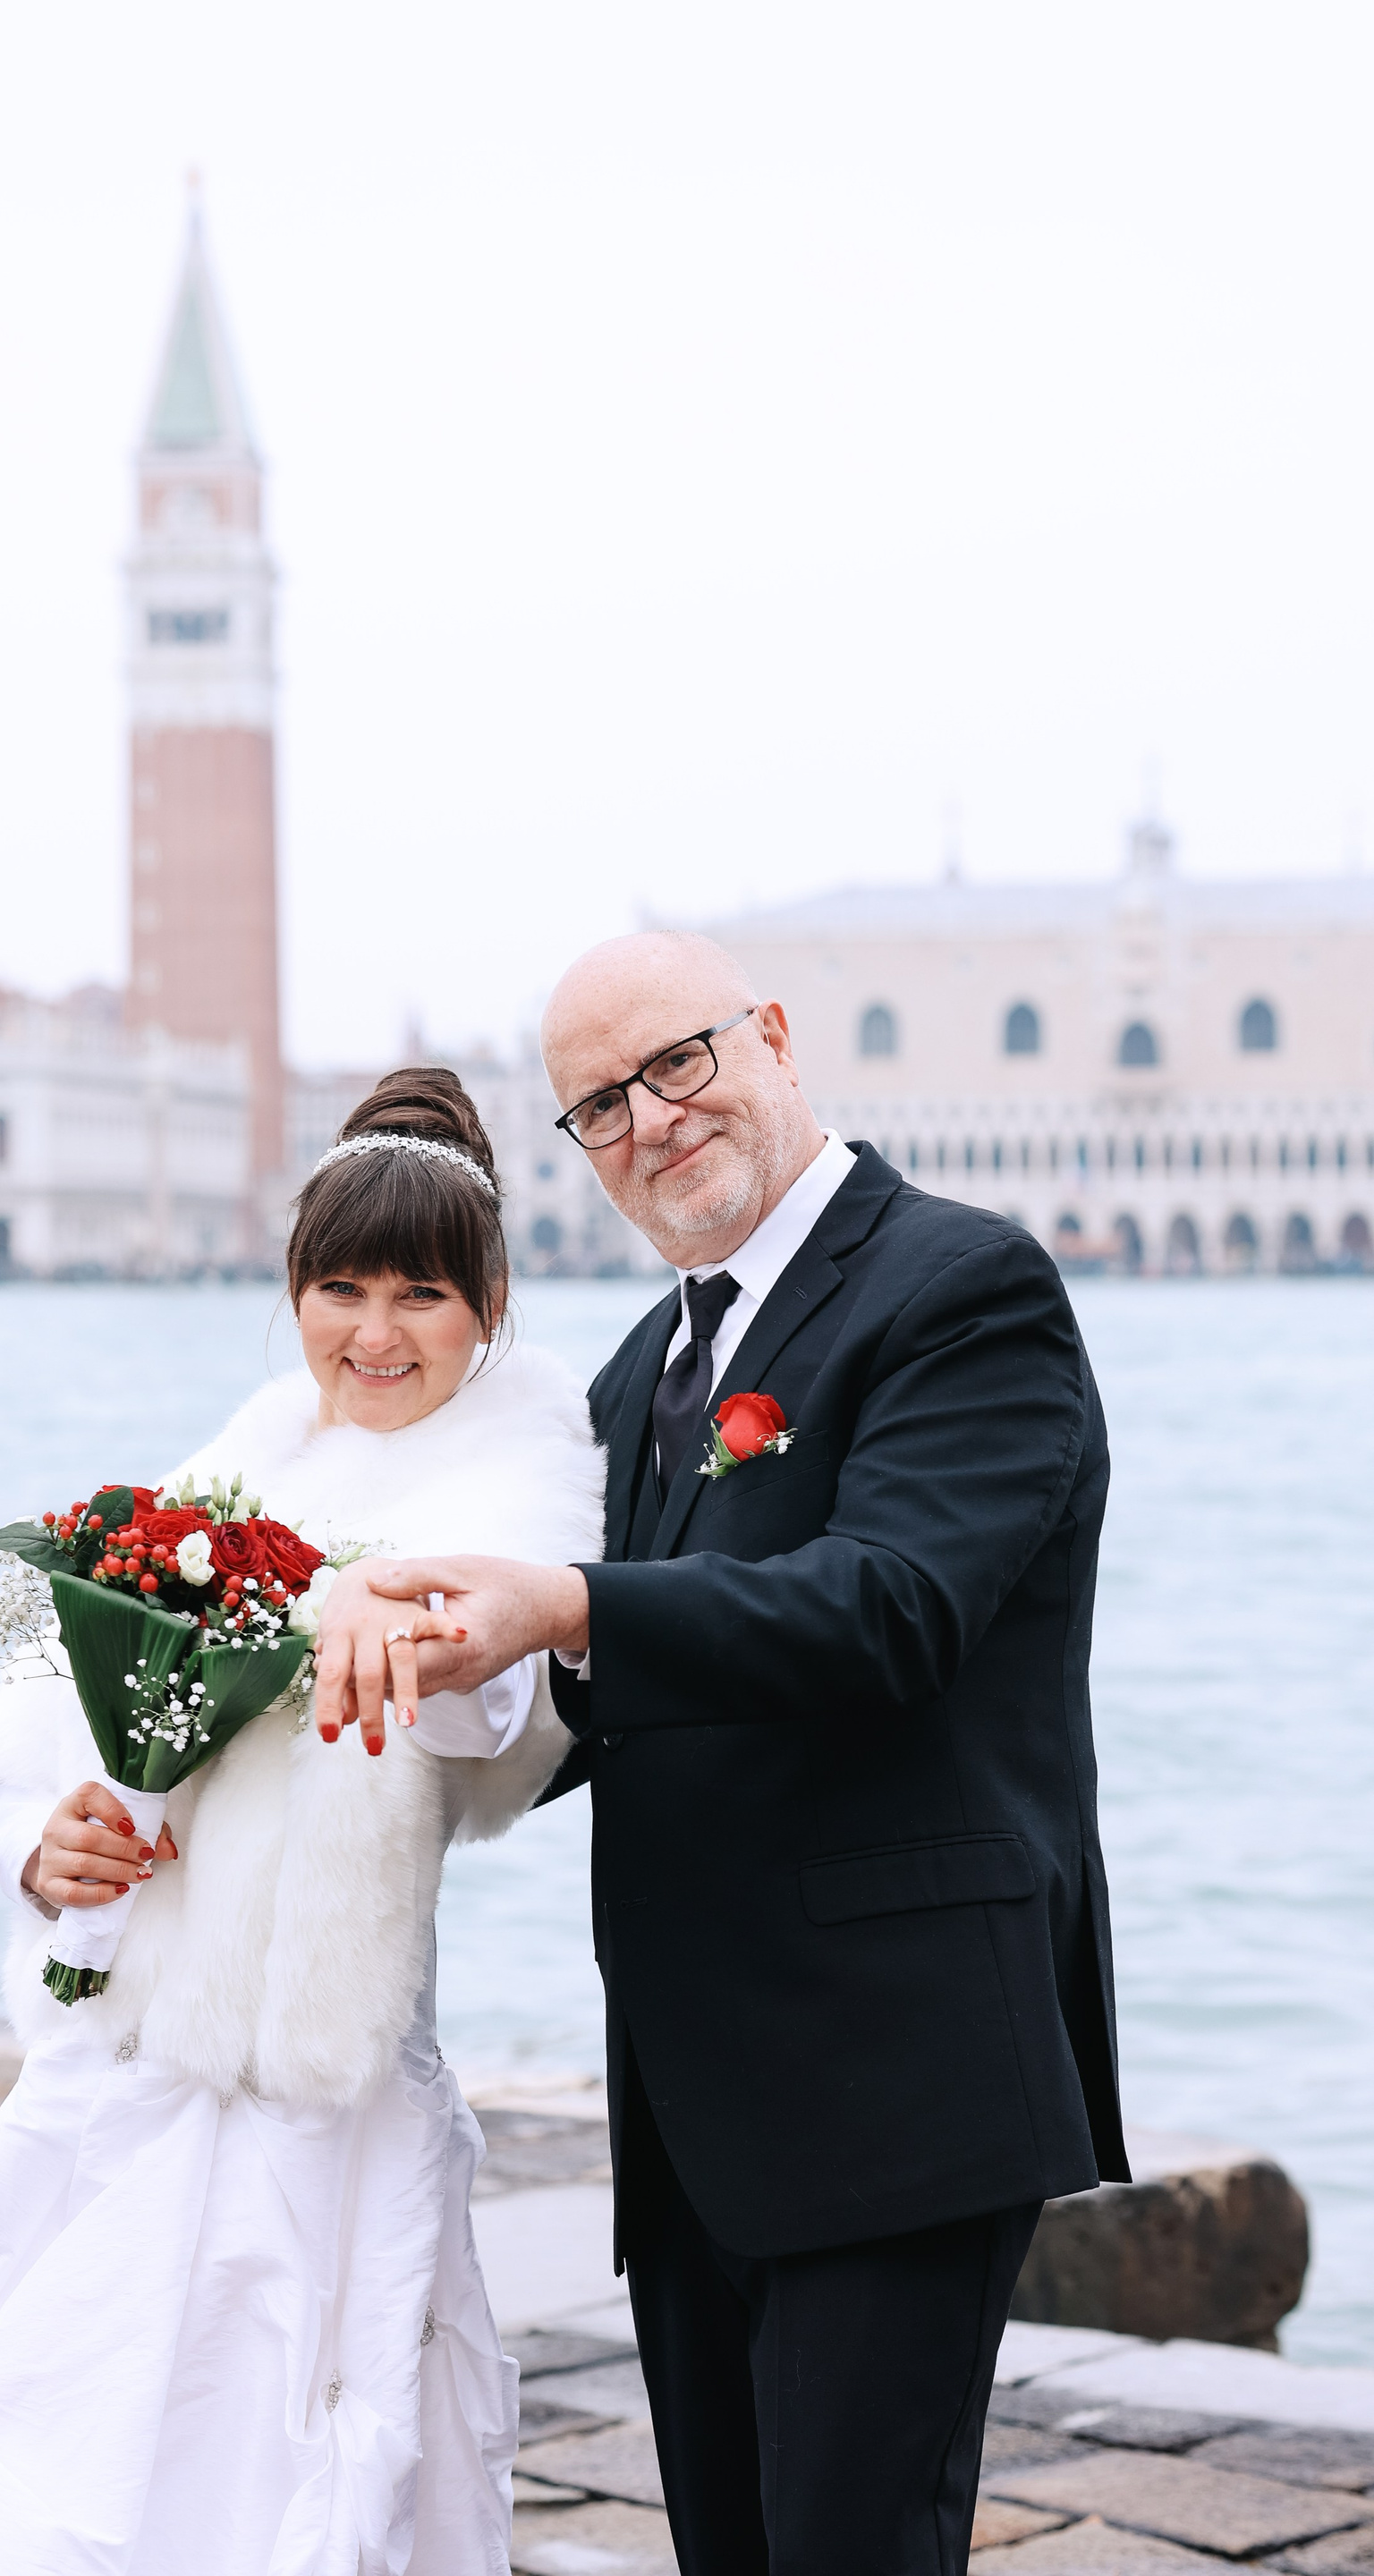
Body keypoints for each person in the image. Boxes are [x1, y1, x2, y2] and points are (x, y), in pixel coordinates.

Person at [0, 1068, 605, 2576]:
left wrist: (428, 1640)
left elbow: (499, 1721)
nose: (375, 1334)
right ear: (293, 1292)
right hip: (133, 2038)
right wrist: (46, 1843)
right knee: (32, 2409)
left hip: (319, 2064)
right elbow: (47, 1708)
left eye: (421, 1295)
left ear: (491, 1306)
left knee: (277, 2446)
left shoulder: (520, 1482)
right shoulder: (244, 1458)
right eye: (339, 1289)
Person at [315, 933, 1128, 2576]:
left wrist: (562, 1603)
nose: (652, 1120)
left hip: (898, 2079)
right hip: (695, 2116)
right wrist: (244, 1750)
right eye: (600, 1106)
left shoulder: (964, 1286)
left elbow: (891, 1607)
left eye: (676, 1062)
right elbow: (563, 1705)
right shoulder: (642, 1373)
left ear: (771, 1037)